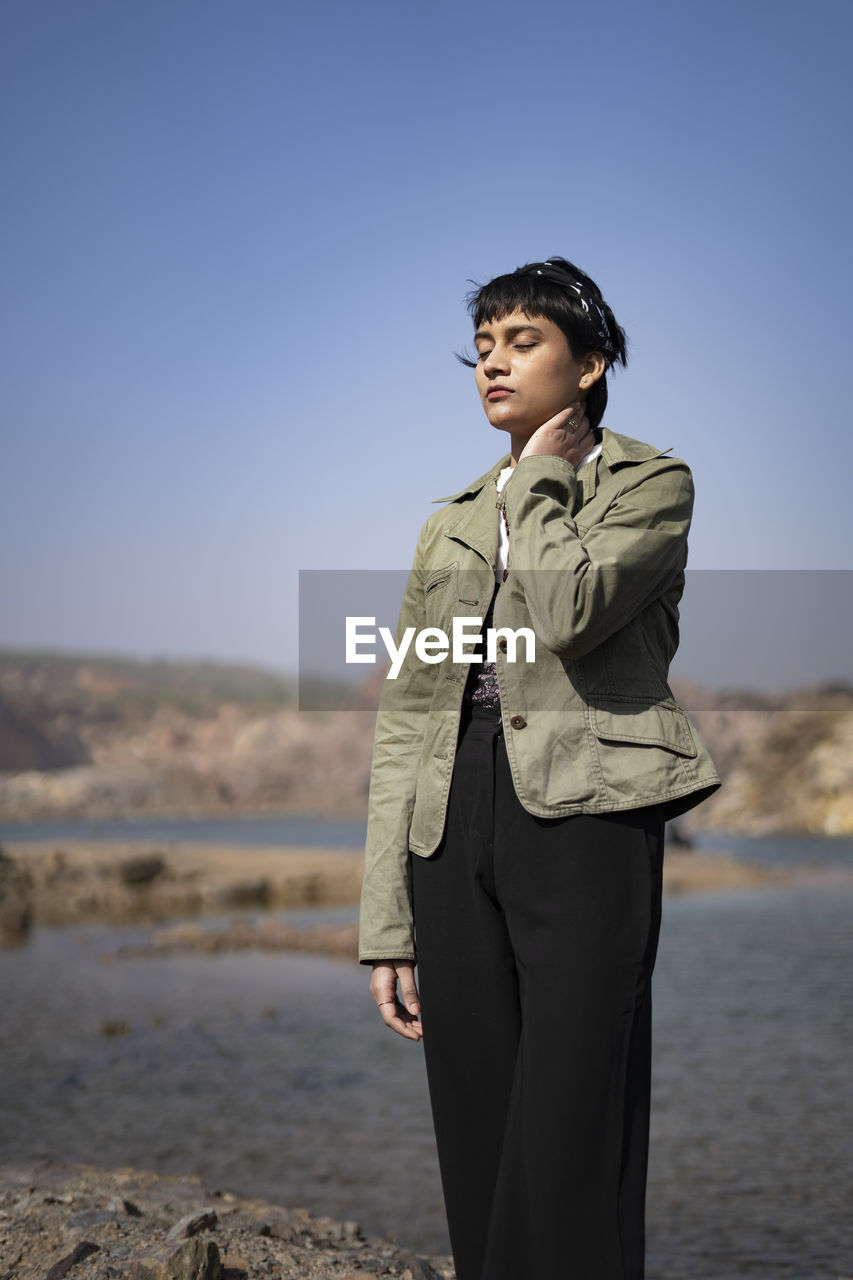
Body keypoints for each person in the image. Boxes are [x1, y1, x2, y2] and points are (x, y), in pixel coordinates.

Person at [357, 257, 721, 1280]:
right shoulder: (451, 519)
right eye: (481, 349)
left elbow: (567, 612)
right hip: (452, 814)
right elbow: (408, 713)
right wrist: (385, 916)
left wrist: (543, 483)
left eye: (521, 343)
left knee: (570, 1128)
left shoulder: (650, 483)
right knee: (477, 1122)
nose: (492, 366)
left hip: (587, 814)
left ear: (591, 362)